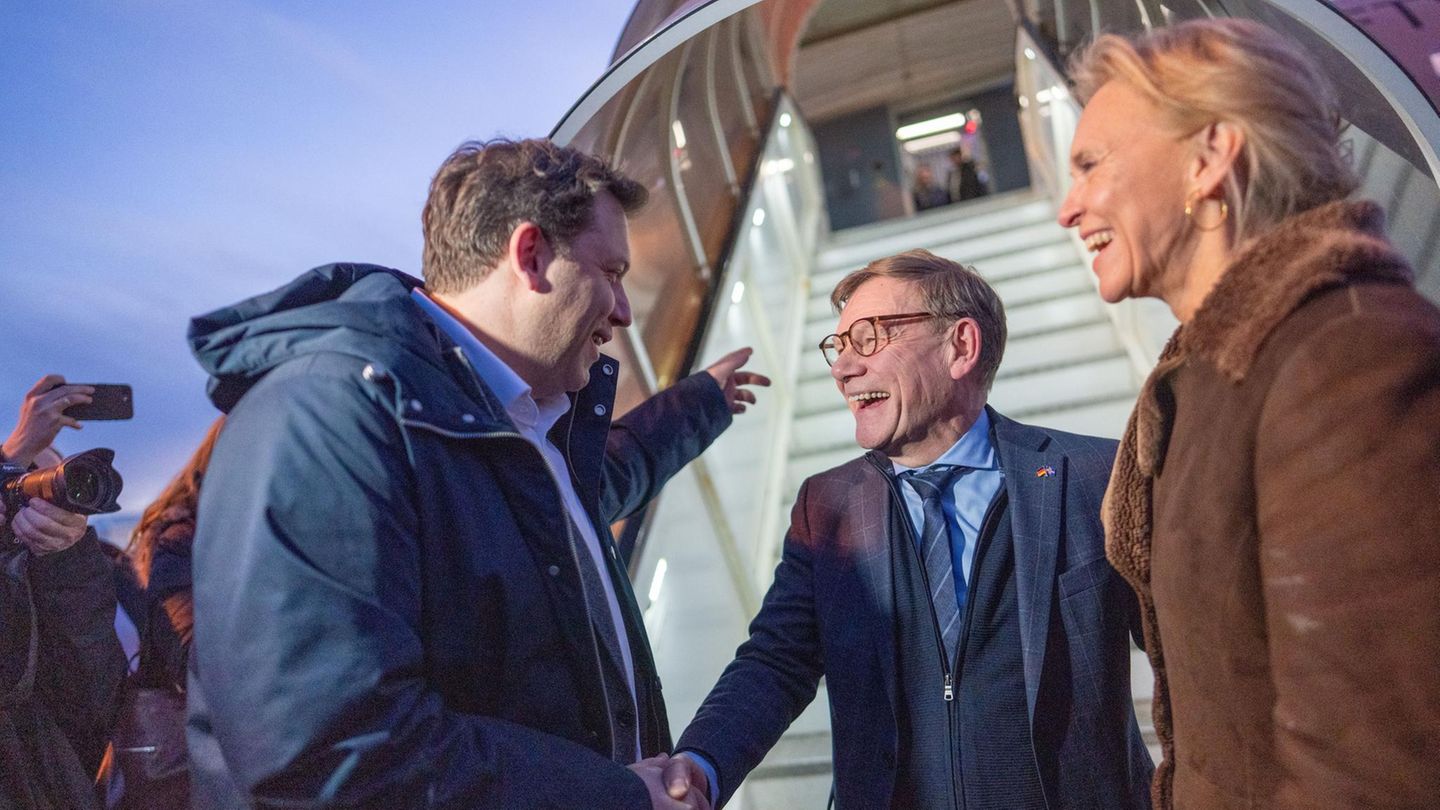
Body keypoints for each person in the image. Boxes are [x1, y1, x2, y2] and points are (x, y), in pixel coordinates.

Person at [185, 138, 766, 809]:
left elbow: (592, 492)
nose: (624, 310)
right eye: (610, 272)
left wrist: (697, 405)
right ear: (530, 255)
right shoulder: (327, 415)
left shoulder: (504, 423)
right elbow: (327, 747)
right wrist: (611, 798)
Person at [1057, 19, 1440, 809]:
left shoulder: (1347, 361)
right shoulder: (1216, 382)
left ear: (1208, 158)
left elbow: (1374, 769)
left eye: (1091, 163)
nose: (1069, 207)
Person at [666, 249, 1152, 809]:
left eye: (869, 337)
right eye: (839, 347)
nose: (843, 368)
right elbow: (776, 662)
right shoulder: (826, 508)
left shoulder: (1094, 478)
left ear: (960, 347)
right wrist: (701, 762)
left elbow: (1187, 658)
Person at [1, 376, 127, 810]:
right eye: (25, 480)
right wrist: (15, 449)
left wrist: (68, 561)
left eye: (58, 483)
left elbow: (94, 700)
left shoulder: (85, 564)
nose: (44, 489)